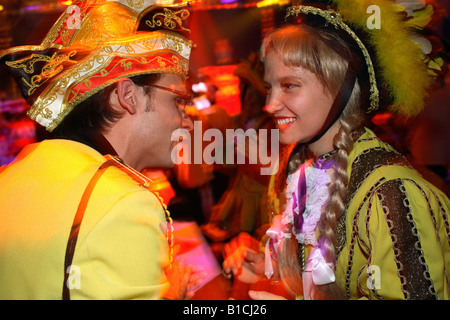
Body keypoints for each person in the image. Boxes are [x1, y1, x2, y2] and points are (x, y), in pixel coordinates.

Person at [223, 0, 450, 300]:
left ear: (340, 88)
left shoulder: (393, 194)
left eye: (289, 85)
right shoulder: (297, 168)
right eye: (269, 87)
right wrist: (270, 265)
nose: (270, 104)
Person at [0, 0, 196, 299]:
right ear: (128, 96)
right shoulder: (124, 203)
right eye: (178, 100)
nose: (187, 122)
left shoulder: (10, 178)